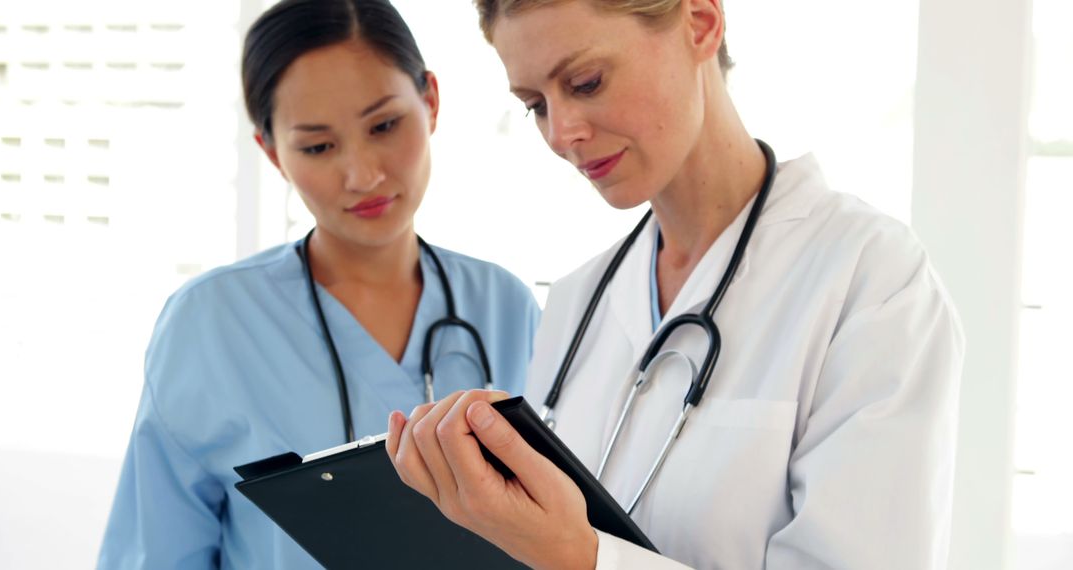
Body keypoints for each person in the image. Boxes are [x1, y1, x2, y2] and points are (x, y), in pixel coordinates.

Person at [386, 0, 964, 568]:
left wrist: (579, 557)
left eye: (585, 82)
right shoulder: (577, 301)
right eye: (536, 105)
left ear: (701, 24)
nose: (562, 133)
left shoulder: (870, 281)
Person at [97, 0, 541, 567]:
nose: (363, 174)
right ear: (272, 152)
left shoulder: (505, 306)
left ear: (430, 100)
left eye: (384, 125)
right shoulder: (208, 323)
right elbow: (156, 555)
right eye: (317, 146)